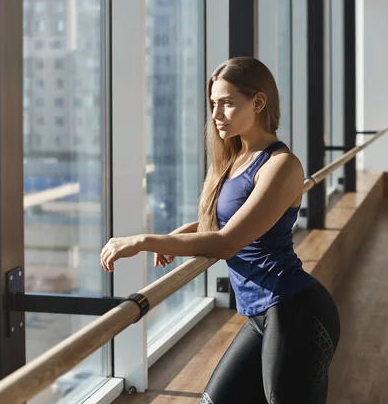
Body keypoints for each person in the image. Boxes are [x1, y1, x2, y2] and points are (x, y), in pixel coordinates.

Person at [100, 56, 341, 404]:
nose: (216, 114)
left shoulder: (280, 165)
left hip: (294, 309)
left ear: (258, 102)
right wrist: (183, 234)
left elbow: (228, 242)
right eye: (213, 103)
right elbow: (224, 220)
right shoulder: (234, 159)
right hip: (261, 315)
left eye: (228, 103)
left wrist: (141, 240)